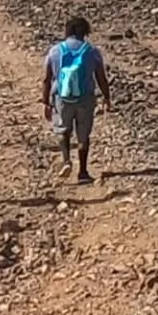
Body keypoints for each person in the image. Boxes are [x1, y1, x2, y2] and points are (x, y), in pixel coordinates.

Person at [42, 16, 108, 188]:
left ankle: (66, 161)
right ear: (85, 32)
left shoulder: (55, 51)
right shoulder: (92, 51)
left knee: (63, 130)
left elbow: (47, 79)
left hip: (61, 98)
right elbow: (101, 77)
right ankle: (83, 172)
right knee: (83, 135)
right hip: (85, 98)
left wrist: (46, 103)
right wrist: (107, 97)